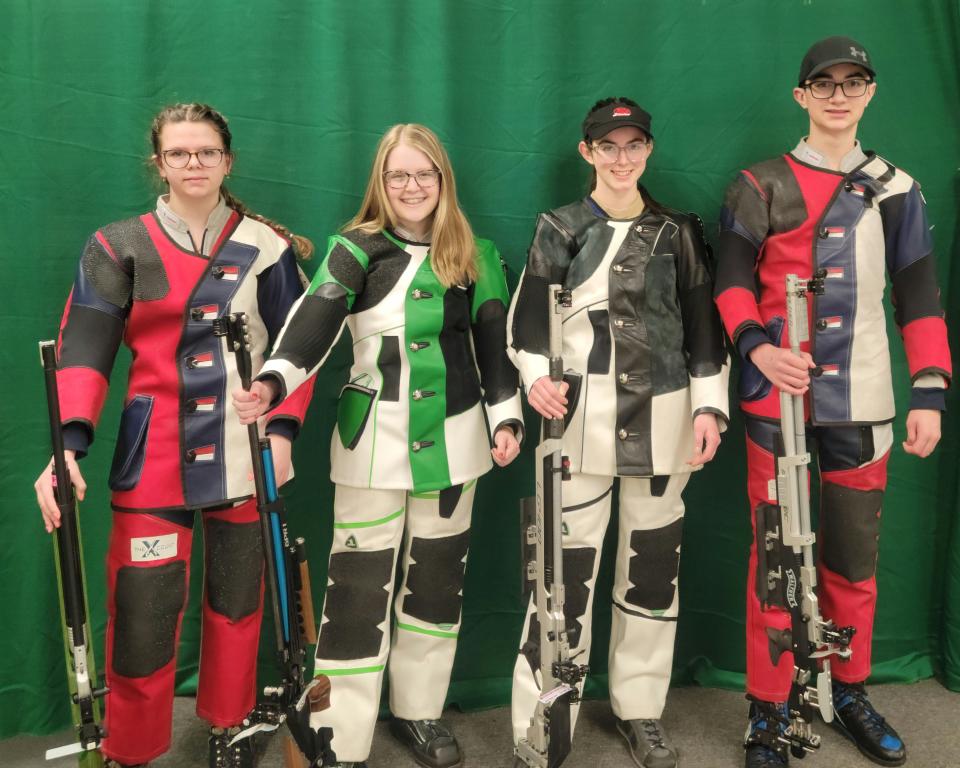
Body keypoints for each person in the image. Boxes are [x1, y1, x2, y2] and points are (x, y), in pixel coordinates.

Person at [33, 103, 316, 768]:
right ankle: (131, 749)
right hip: (152, 457)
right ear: (158, 162)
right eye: (180, 153)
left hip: (245, 458)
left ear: (228, 160)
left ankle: (231, 725)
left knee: (236, 602)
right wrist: (65, 446)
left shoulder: (267, 247)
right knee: (143, 614)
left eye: (207, 152)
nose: (195, 164)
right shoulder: (117, 245)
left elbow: (301, 348)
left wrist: (282, 435)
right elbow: (84, 348)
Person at [233, 123, 523, 768]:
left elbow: (493, 347)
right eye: (399, 175)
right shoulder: (355, 248)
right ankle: (341, 734)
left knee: (437, 589)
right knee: (356, 594)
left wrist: (506, 418)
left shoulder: (480, 254)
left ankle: (420, 713)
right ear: (381, 184)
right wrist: (274, 380)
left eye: (425, 173)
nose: (412, 186)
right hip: (371, 447)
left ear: (443, 180)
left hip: (456, 446)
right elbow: (315, 318)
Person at [713, 37, 951, 768]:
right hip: (773, 404)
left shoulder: (897, 187)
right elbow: (727, 283)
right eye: (824, 83)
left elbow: (917, 294)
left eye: (854, 82)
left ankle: (848, 690)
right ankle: (769, 708)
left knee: (852, 557)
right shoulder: (756, 184)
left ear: (871, 92)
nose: (839, 95)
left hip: (866, 399)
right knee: (778, 559)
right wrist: (757, 348)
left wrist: (931, 389)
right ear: (802, 96)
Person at [506, 97, 729, 768]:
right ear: (587, 152)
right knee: (560, 577)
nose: (622, 157)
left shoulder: (678, 233)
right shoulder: (560, 227)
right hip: (578, 428)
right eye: (609, 146)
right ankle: (545, 718)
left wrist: (709, 407)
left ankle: (641, 710)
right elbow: (526, 326)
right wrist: (536, 376)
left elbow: (702, 327)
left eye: (634, 145)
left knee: (652, 575)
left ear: (649, 151)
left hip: (666, 424)